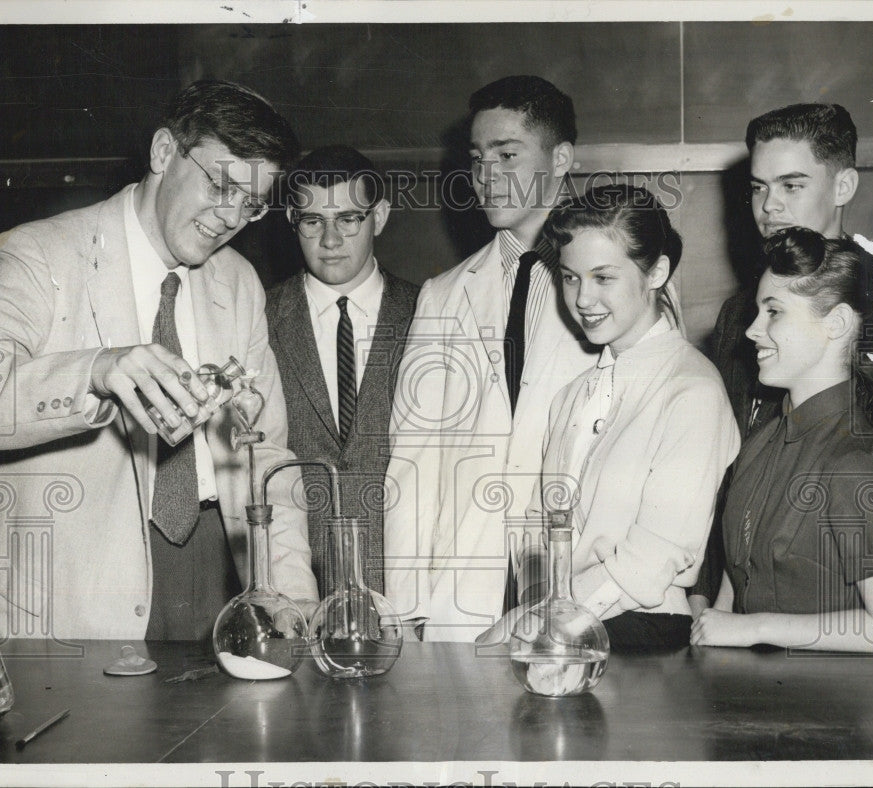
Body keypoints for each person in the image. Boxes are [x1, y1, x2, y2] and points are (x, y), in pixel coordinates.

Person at [0, 80, 319, 641]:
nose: (230, 216)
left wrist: (290, 594)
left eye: (251, 204)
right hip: (75, 590)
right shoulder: (39, 253)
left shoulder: (237, 282)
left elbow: (267, 453)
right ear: (164, 152)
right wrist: (94, 369)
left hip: (220, 570)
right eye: (220, 184)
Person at [384, 75, 597, 642]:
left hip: (578, 583)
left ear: (562, 158)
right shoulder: (444, 293)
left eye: (508, 155)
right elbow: (413, 461)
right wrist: (405, 609)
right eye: (478, 159)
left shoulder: (620, 285)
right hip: (466, 589)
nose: (487, 177)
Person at [481, 184, 740, 650]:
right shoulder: (572, 396)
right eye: (570, 277)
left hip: (639, 628)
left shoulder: (692, 391)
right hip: (565, 621)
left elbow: (655, 557)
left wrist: (542, 622)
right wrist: (536, 607)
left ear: (657, 271)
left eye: (604, 278)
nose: (582, 299)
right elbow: (541, 526)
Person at [691, 228, 873, 652]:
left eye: (774, 312)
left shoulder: (855, 463)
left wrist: (755, 628)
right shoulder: (761, 440)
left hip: (833, 709)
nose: (752, 330)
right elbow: (735, 581)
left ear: (837, 323)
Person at [691, 103, 873, 613]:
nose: (769, 206)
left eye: (791, 185)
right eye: (757, 187)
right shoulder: (739, 317)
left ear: (843, 187)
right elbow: (729, 467)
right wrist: (704, 593)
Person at [266, 145, 419, 598]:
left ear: (381, 216)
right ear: (293, 220)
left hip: (405, 589)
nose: (330, 240)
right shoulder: (257, 318)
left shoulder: (431, 313)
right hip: (295, 590)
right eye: (313, 221)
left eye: (349, 219)